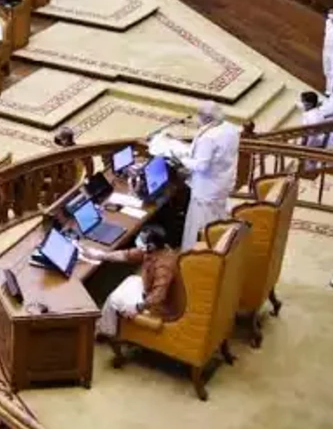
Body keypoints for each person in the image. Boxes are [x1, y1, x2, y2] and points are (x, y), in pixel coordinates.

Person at [85, 225, 181, 338]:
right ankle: (106, 325)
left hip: (159, 305)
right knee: (131, 279)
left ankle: (106, 332)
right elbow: (126, 255)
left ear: (151, 246)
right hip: (149, 288)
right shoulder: (154, 249)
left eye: (142, 239)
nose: (138, 241)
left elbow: (158, 296)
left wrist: (138, 308)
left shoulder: (163, 267)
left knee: (113, 300)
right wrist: (101, 255)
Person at [179, 101, 241, 250]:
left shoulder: (209, 137)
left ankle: (197, 252)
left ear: (206, 118)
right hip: (222, 180)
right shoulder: (231, 128)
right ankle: (219, 243)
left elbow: (202, 166)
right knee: (217, 214)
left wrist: (183, 160)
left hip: (206, 187)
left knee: (200, 223)